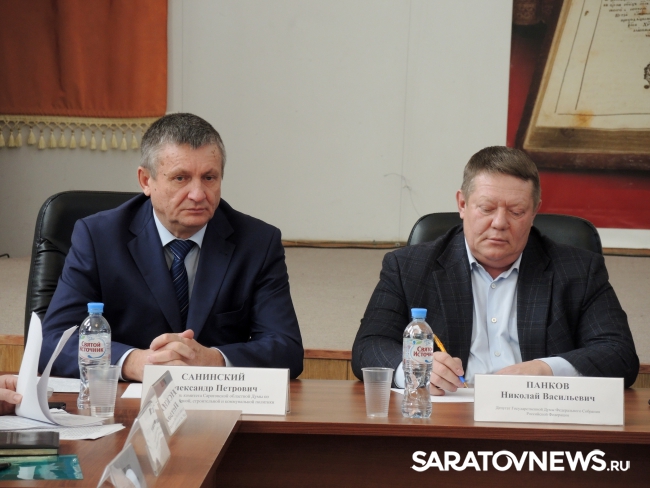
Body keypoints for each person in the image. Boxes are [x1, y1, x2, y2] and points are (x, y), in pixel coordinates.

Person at [40, 113, 303, 381]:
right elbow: (52, 342)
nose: (198, 194)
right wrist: (132, 362)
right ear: (146, 180)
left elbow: (287, 349)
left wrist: (214, 360)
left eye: (209, 177)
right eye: (181, 178)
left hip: (215, 397)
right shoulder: (98, 237)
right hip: (125, 397)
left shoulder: (258, 242)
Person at [352, 146, 639, 390]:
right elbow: (369, 346)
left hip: (539, 418)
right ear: (462, 204)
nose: (500, 223)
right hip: (447, 417)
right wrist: (415, 370)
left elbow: (619, 355)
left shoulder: (578, 270)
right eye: (487, 208)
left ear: (534, 211)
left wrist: (547, 370)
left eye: (516, 211)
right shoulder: (409, 267)